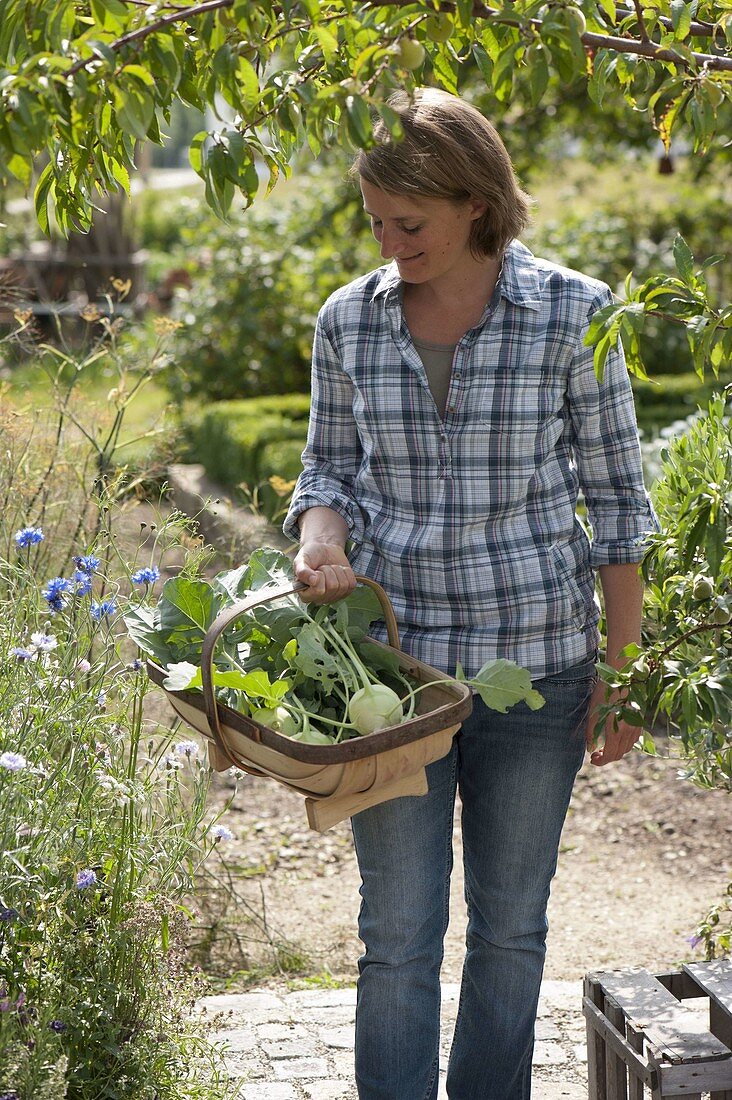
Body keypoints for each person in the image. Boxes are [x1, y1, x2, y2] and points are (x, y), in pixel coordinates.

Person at [282, 88, 658, 1100]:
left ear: (477, 202)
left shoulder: (576, 314)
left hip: (535, 665)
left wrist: (622, 672)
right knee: (397, 930)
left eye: (411, 224)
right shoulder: (347, 322)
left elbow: (619, 507)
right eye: (376, 224)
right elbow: (326, 475)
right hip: (394, 680)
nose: (390, 243)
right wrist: (322, 543)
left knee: (509, 924)